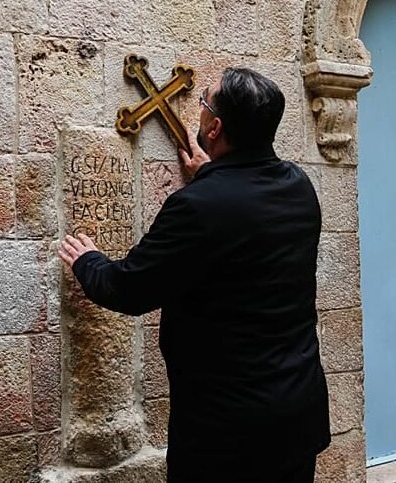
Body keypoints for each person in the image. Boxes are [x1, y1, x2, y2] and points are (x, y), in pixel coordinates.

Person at [58, 68, 330, 482]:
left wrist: (87, 261)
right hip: (296, 418)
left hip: (227, 436)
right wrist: (210, 172)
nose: (198, 109)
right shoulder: (298, 186)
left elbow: (128, 289)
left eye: (203, 102)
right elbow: (243, 206)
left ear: (215, 127)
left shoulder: (197, 206)